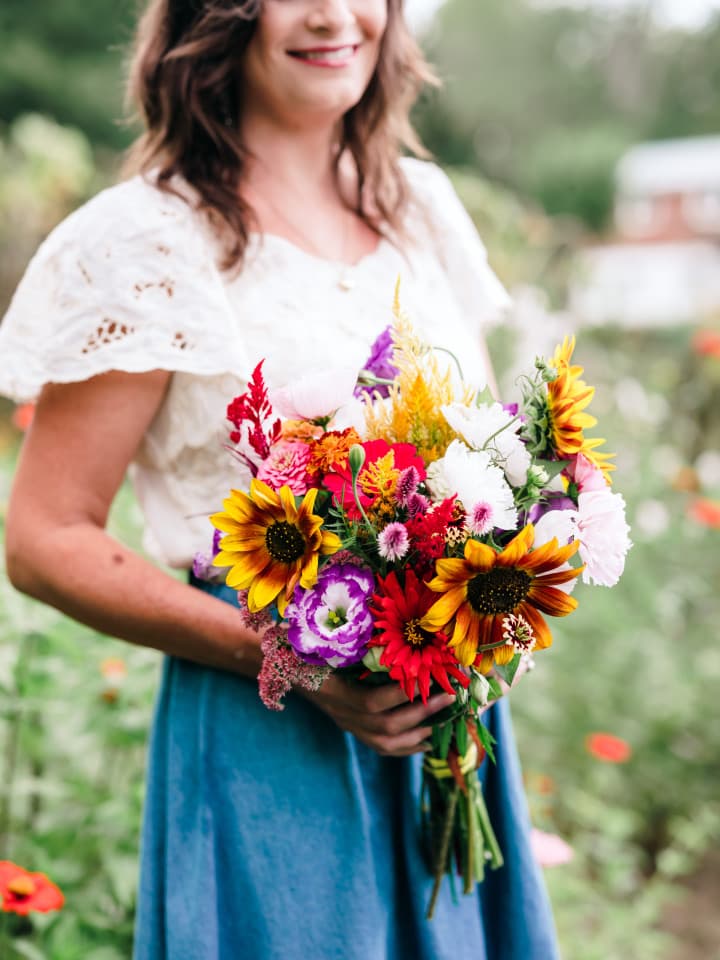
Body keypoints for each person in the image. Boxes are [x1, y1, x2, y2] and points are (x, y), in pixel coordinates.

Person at [0, 1, 560, 957]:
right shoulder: (147, 242)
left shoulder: (421, 211)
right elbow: (45, 538)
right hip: (268, 734)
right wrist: (287, 656)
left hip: (446, 734)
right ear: (219, 15)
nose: (333, 15)